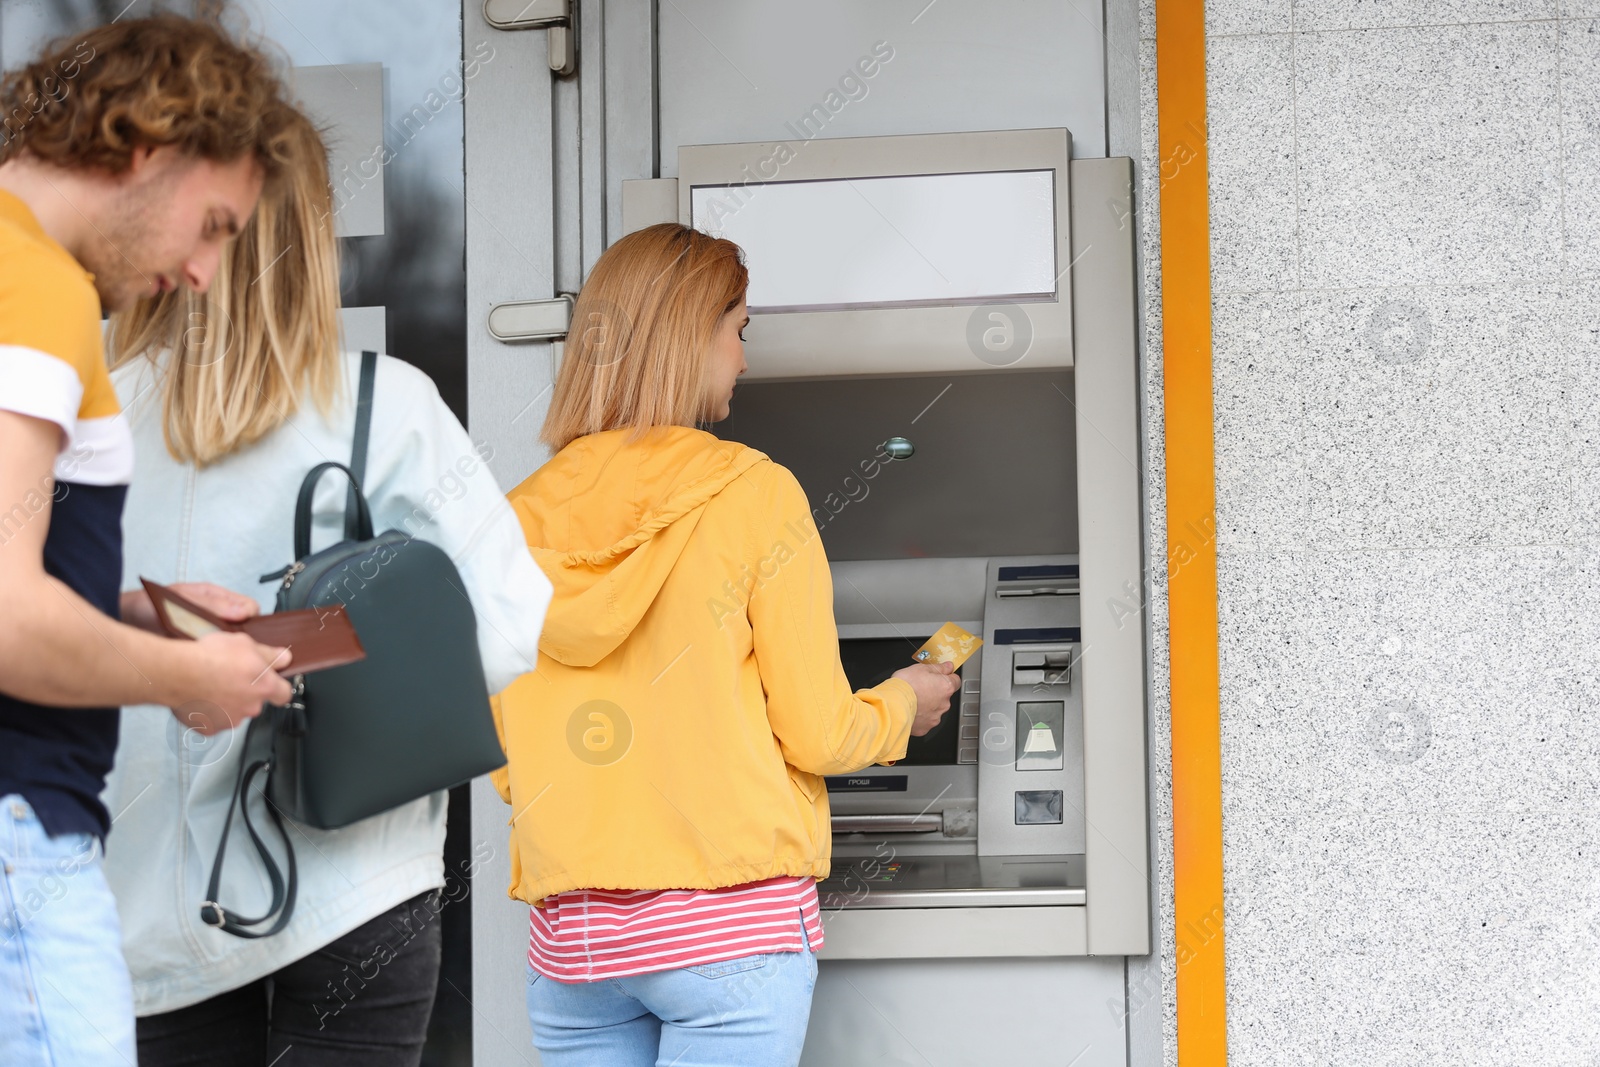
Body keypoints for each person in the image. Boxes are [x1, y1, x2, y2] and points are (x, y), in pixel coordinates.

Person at [93, 100, 553, 1064]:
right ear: (308, 235)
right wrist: (305, 649)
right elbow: (511, 625)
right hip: (356, 881)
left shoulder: (82, 409)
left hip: (139, 899)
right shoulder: (384, 405)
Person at [493, 222, 961, 1066]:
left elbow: (501, 753)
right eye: (739, 328)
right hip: (728, 933)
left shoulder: (514, 518)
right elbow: (818, 732)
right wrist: (904, 703)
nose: (743, 358)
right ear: (690, 331)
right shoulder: (754, 494)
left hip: (577, 949)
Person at [0, 16, 305, 1066]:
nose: (207, 272)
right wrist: (190, 668)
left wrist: (130, 612)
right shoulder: (32, 279)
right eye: (214, 223)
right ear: (153, 147)